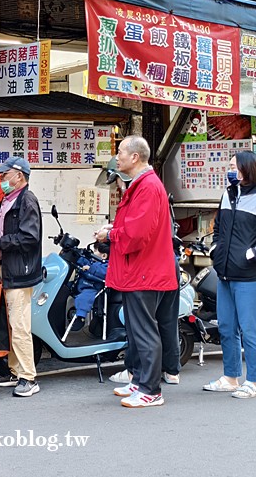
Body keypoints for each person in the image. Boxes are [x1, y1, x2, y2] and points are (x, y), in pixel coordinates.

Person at [94, 136, 179, 408]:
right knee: (137, 329)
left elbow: (136, 235)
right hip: (140, 270)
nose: (116, 157)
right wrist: (114, 232)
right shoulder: (143, 185)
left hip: (145, 270)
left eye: (120, 152)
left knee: (144, 331)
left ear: (135, 157)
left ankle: (150, 389)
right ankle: (140, 379)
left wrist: (110, 235)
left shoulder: (147, 187)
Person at [203, 151, 256, 399]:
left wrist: (251, 254)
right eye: (229, 166)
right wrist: (216, 249)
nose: (229, 170)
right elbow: (218, 229)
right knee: (227, 327)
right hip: (226, 273)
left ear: (248, 169)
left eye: (233, 166)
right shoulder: (228, 195)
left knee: (250, 329)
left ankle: (254, 381)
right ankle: (230, 377)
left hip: (253, 276)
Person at [0, 156, 43, 397]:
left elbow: (30, 237)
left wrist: (0, 242)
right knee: (12, 324)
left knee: (19, 325)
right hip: (9, 268)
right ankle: (16, 371)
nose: (1, 179)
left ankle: (28, 377)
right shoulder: (10, 199)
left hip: (20, 271)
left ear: (19, 176)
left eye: (4, 175)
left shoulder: (26, 200)